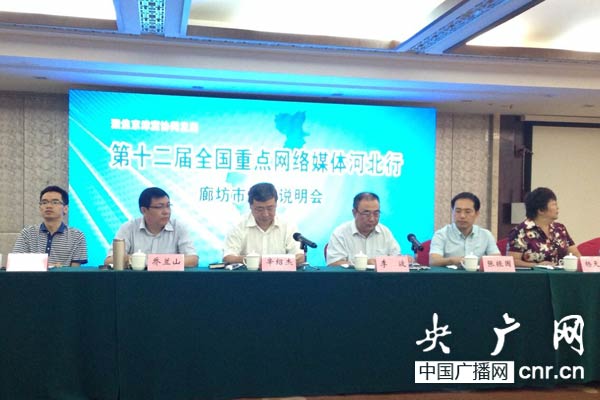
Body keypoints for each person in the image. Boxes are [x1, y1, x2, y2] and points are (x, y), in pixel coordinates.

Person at [104, 187, 198, 267]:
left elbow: (193, 260)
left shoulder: (179, 228)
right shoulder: (128, 228)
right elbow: (110, 261)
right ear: (144, 210)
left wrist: (145, 261)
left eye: (168, 206)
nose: (166, 211)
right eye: (159, 207)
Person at [223, 182, 304, 265]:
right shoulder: (238, 226)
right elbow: (228, 257)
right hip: (248, 272)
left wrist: (274, 263)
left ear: (276, 204)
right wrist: (252, 260)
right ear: (250, 206)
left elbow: (299, 256)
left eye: (270, 208)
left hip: (280, 273)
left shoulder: (288, 225)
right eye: (260, 209)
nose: (265, 214)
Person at [12, 185, 87, 267]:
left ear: (65, 209)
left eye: (55, 202)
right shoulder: (27, 233)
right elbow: (16, 263)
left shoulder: (77, 236)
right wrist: (50, 266)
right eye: (44, 202)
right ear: (40, 208)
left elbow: (75, 271)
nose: (48, 206)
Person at [507, 187, 581, 267]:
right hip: (534, 274)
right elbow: (513, 261)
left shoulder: (560, 229)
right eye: (554, 204)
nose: (557, 207)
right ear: (541, 210)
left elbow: (575, 255)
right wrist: (537, 265)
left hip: (560, 273)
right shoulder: (521, 231)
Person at [327, 192, 401, 266]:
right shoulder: (340, 234)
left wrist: (403, 260)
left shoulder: (385, 232)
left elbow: (397, 260)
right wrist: (363, 264)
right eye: (366, 213)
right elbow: (333, 264)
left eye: (376, 213)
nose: (372, 219)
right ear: (354, 213)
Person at [429, 192, 500, 267]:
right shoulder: (441, 234)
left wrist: (477, 261)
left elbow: (497, 259)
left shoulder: (486, 235)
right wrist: (452, 261)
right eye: (458, 211)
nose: (462, 216)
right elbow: (433, 261)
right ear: (452, 212)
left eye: (467, 212)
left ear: (477, 214)